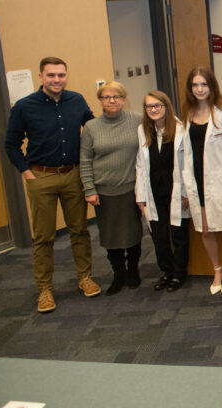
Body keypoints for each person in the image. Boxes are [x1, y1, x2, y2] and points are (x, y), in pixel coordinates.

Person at [5, 56, 101, 313]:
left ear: (66, 76)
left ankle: (85, 277)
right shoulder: (25, 107)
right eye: (51, 75)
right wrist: (26, 173)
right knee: (44, 237)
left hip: (73, 174)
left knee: (79, 230)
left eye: (61, 75)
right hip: (41, 177)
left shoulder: (77, 100)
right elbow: (11, 144)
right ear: (41, 77)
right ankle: (45, 290)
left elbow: (93, 130)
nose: (56, 80)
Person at [80, 81, 144, 295]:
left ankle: (133, 269)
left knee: (133, 232)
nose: (112, 100)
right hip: (103, 191)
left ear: (124, 99)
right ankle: (118, 273)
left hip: (130, 189)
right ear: (100, 101)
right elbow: (85, 159)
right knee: (110, 235)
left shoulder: (137, 120)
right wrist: (89, 189)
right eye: (107, 97)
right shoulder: (91, 127)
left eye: (116, 96)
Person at [180, 67, 222, 295]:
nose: (199, 89)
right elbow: (184, 152)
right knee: (205, 229)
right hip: (196, 179)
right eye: (195, 85)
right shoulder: (187, 114)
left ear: (212, 86)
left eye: (204, 84)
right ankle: (217, 268)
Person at [135, 90, 190, 292]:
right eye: (149, 106)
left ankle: (179, 274)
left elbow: (186, 165)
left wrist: (185, 192)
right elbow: (140, 165)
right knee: (158, 235)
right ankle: (166, 271)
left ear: (166, 107)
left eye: (158, 105)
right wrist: (140, 196)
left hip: (175, 190)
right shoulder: (143, 130)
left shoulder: (180, 130)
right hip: (153, 191)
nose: (154, 110)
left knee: (178, 234)